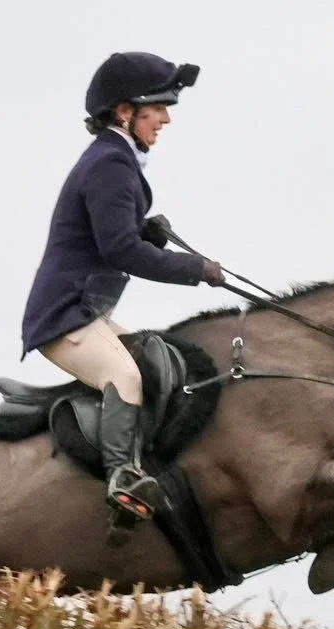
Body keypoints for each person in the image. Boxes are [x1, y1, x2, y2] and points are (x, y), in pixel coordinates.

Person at [20, 52, 226, 522]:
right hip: (65, 314)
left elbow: (112, 234)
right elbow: (120, 252)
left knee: (154, 364)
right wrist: (192, 267)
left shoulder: (116, 159)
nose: (167, 118)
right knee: (126, 377)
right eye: (159, 108)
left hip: (88, 306)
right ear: (125, 112)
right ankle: (122, 477)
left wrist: (144, 227)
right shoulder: (110, 164)